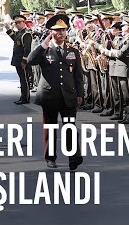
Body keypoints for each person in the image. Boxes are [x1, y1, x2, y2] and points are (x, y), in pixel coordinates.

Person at [27, 14, 85, 170]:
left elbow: (78, 75)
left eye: (63, 30)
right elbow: (30, 61)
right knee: (50, 128)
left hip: (68, 95)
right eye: (58, 30)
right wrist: (42, 46)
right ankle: (50, 157)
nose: (61, 33)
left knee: (70, 127)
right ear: (51, 32)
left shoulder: (72, 50)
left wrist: (80, 94)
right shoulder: (44, 49)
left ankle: (74, 157)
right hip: (49, 95)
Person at [5, 14, 33, 104]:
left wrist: (24, 61)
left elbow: (27, 49)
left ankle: (25, 98)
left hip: (22, 61)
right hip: (18, 60)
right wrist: (8, 29)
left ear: (24, 22)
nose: (17, 24)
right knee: (22, 79)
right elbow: (15, 39)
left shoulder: (26, 34)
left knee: (24, 80)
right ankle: (23, 96)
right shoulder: (20, 33)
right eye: (16, 23)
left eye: (19, 22)